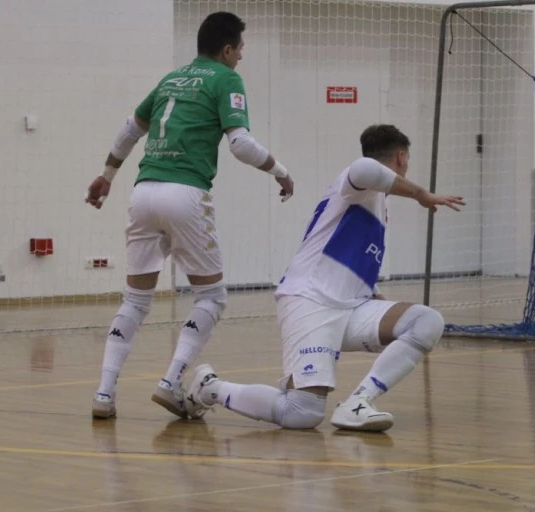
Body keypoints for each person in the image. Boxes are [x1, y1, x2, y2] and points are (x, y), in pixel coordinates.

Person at [184, 124, 464, 432]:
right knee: (302, 413)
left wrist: (375, 297)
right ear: (401, 157)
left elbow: (351, 258)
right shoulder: (356, 181)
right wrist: (422, 194)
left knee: (426, 321)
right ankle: (210, 388)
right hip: (310, 300)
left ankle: (358, 402)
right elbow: (363, 167)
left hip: (350, 306)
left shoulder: (377, 204)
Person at [86, 11, 294, 419]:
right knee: (212, 296)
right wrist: (281, 172)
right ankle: (171, 383)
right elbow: (240, 144)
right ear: (227, 48)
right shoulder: (226, 78)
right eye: (240, 50)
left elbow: (131, 129)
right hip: (185, 193)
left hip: (143, 191)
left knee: (135, 300)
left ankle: (104, 394)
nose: (241, 59)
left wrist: (107, 175)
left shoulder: (170, 79)